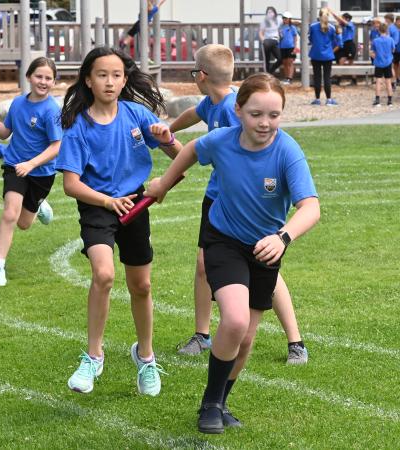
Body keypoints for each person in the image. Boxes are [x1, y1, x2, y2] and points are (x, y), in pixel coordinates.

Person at [144, 72, 320, 434]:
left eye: (274, 115)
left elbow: (311, 208)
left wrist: (283, 237)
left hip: (265, 248)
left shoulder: (288, 150)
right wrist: (165, 183)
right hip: (222, 239)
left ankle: (220, 402)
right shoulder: (222, 141)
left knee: (246, 339)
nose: (265, 123)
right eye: (256, 114)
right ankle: (210, 403)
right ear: (238, 110)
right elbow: (192, 150)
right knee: (235, 320)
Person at [169, 45, 310, 366]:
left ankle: (295, 341)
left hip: (244, 202)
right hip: (216, 201)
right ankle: (202, 335)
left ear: (201, 76)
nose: (263, 121)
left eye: (271, 115)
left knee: (266, 269)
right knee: (204, 265)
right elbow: (196, 114)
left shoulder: (240, 107)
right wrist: (170, 130)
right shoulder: (215, 102)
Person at [56, 47, 177, 396]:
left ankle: (146, 357)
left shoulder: (137, 114)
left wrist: (166, 139)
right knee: (104, 275)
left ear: (125, 80)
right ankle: (94, 357)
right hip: (98, 207)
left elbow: (179, 153)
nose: (110, 81)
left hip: (135, 205)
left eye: (117, 75)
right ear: (88, 80)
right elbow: (70, 184)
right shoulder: (78, 127)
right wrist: (108, 201)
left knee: (142, 287)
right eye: (102, 75)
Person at [0, 57, 62, 287]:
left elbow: (56, 147)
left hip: (41, 172)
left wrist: (32, 164)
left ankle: (39, 204)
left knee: (24, 223)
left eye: (48, 78)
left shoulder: (51, 111)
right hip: (14, 165)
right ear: (28, 77)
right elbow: (4, 134)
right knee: (9, 214)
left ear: (54, 82)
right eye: (39, 76)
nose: (43, 81)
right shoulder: (17, 103)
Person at [308, 8, 338, 106]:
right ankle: (329, 100)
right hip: (327, 55)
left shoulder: (312, 26)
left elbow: (311, 39)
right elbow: (335, 41)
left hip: (315, 54)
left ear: (319, 15)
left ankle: (317, 99)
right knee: (327, 77)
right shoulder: (332, 28)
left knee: (317, 77)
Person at [370, 22, 395, 107]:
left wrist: (375, 57)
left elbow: (372, 52)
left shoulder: (375, 40)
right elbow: (393, 50)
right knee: (388, 82)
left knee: (378, 81)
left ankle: (377, 100)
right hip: (388, 62)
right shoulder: (391, 39)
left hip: (378, 62)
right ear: (387, 30)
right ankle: (390, 101)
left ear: (379, 30)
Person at [275, 11, 299, 84]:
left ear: (289, 19)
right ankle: (286, 78)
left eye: (286, 18)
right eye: (284, 18)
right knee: (284, 63)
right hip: (282, 47)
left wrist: (295, 47)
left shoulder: (292, 27)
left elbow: (295, 38)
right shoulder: (280, 27)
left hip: (290, 47)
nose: (285, 19)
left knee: (290, 63)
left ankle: (290, 78)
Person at [259, 6, 282, 75]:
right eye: (268, 12)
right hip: (267, 41)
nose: (270, 13)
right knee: (267, 59)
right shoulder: (264, 21)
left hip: (275, 41)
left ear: (275, 13)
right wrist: (263, 40)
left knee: (280, 58)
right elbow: (261, 32)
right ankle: (267, 74)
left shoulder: (279, 19)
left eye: (272, 12)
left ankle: (271, 72)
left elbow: (286, 22)